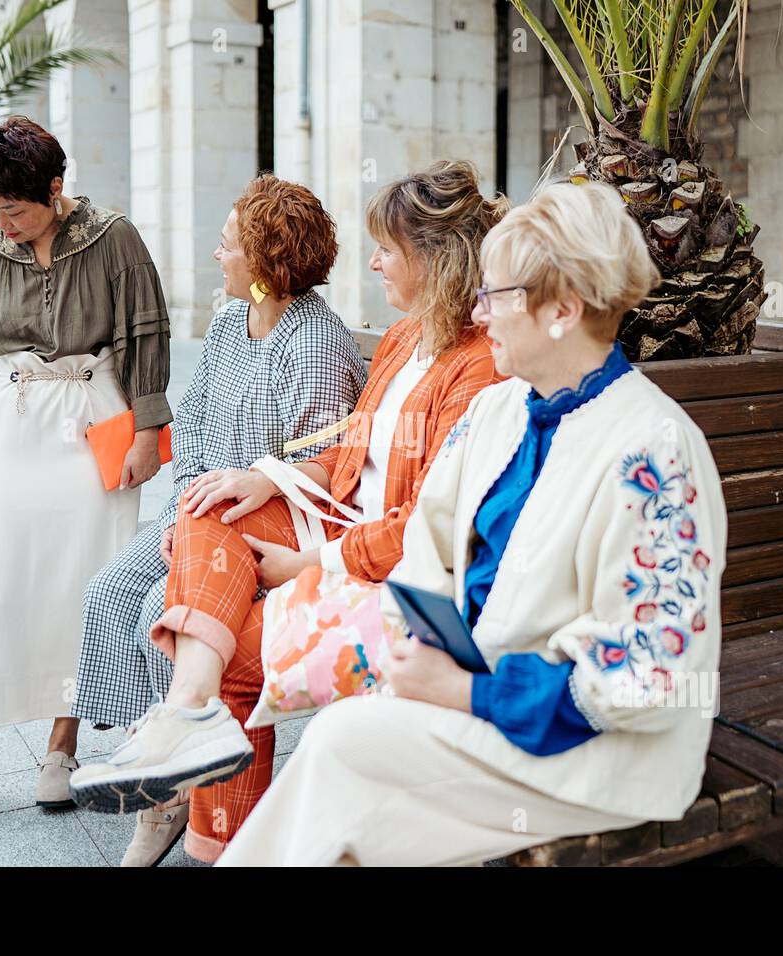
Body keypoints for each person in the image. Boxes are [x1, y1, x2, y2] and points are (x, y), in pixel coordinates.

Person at [218, 180, 728, 866]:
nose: (479, 314)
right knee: (346, 772)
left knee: (343, 752)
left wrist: (465, 690)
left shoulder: (657, 451)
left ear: (562, 311)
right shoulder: (501, 410)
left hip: (596, 750)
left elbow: (653, 674)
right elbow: (427, 548)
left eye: (494, 296)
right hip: (474, 695)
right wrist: (416, 650)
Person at [70, 160, 508, 863]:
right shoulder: (401, 340)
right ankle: (191, 717)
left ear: (438, 260)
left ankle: (212, 825)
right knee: (211, 501)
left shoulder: (476, 366)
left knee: (233, 649)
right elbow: (343, 456)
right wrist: (266, 478)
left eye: (388, 250)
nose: (373, 263)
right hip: (333, 520)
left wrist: (310, 561)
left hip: (395, 575)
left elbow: (430, 527)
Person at [69, 174, 366, 866]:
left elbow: (319, 467)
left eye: (229, 247)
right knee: (107, 593)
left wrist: (219, 517)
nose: (216, 256)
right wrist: (188, 505)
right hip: (203, 506)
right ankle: (158, 756)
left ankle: (171, 795)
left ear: (264, 266)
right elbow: (196, 416)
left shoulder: (313, 344)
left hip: (270, 525)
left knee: (156, 608)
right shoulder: (232, 320)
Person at [0, 116, 172, 836]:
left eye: (13, 210)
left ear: (55, 188)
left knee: (82, 585)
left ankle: (61, 751)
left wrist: (148, 430)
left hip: (98, 420)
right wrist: (27, 374)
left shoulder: (114, 237)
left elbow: (147, 331)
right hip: (16, 420)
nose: (2, 225)